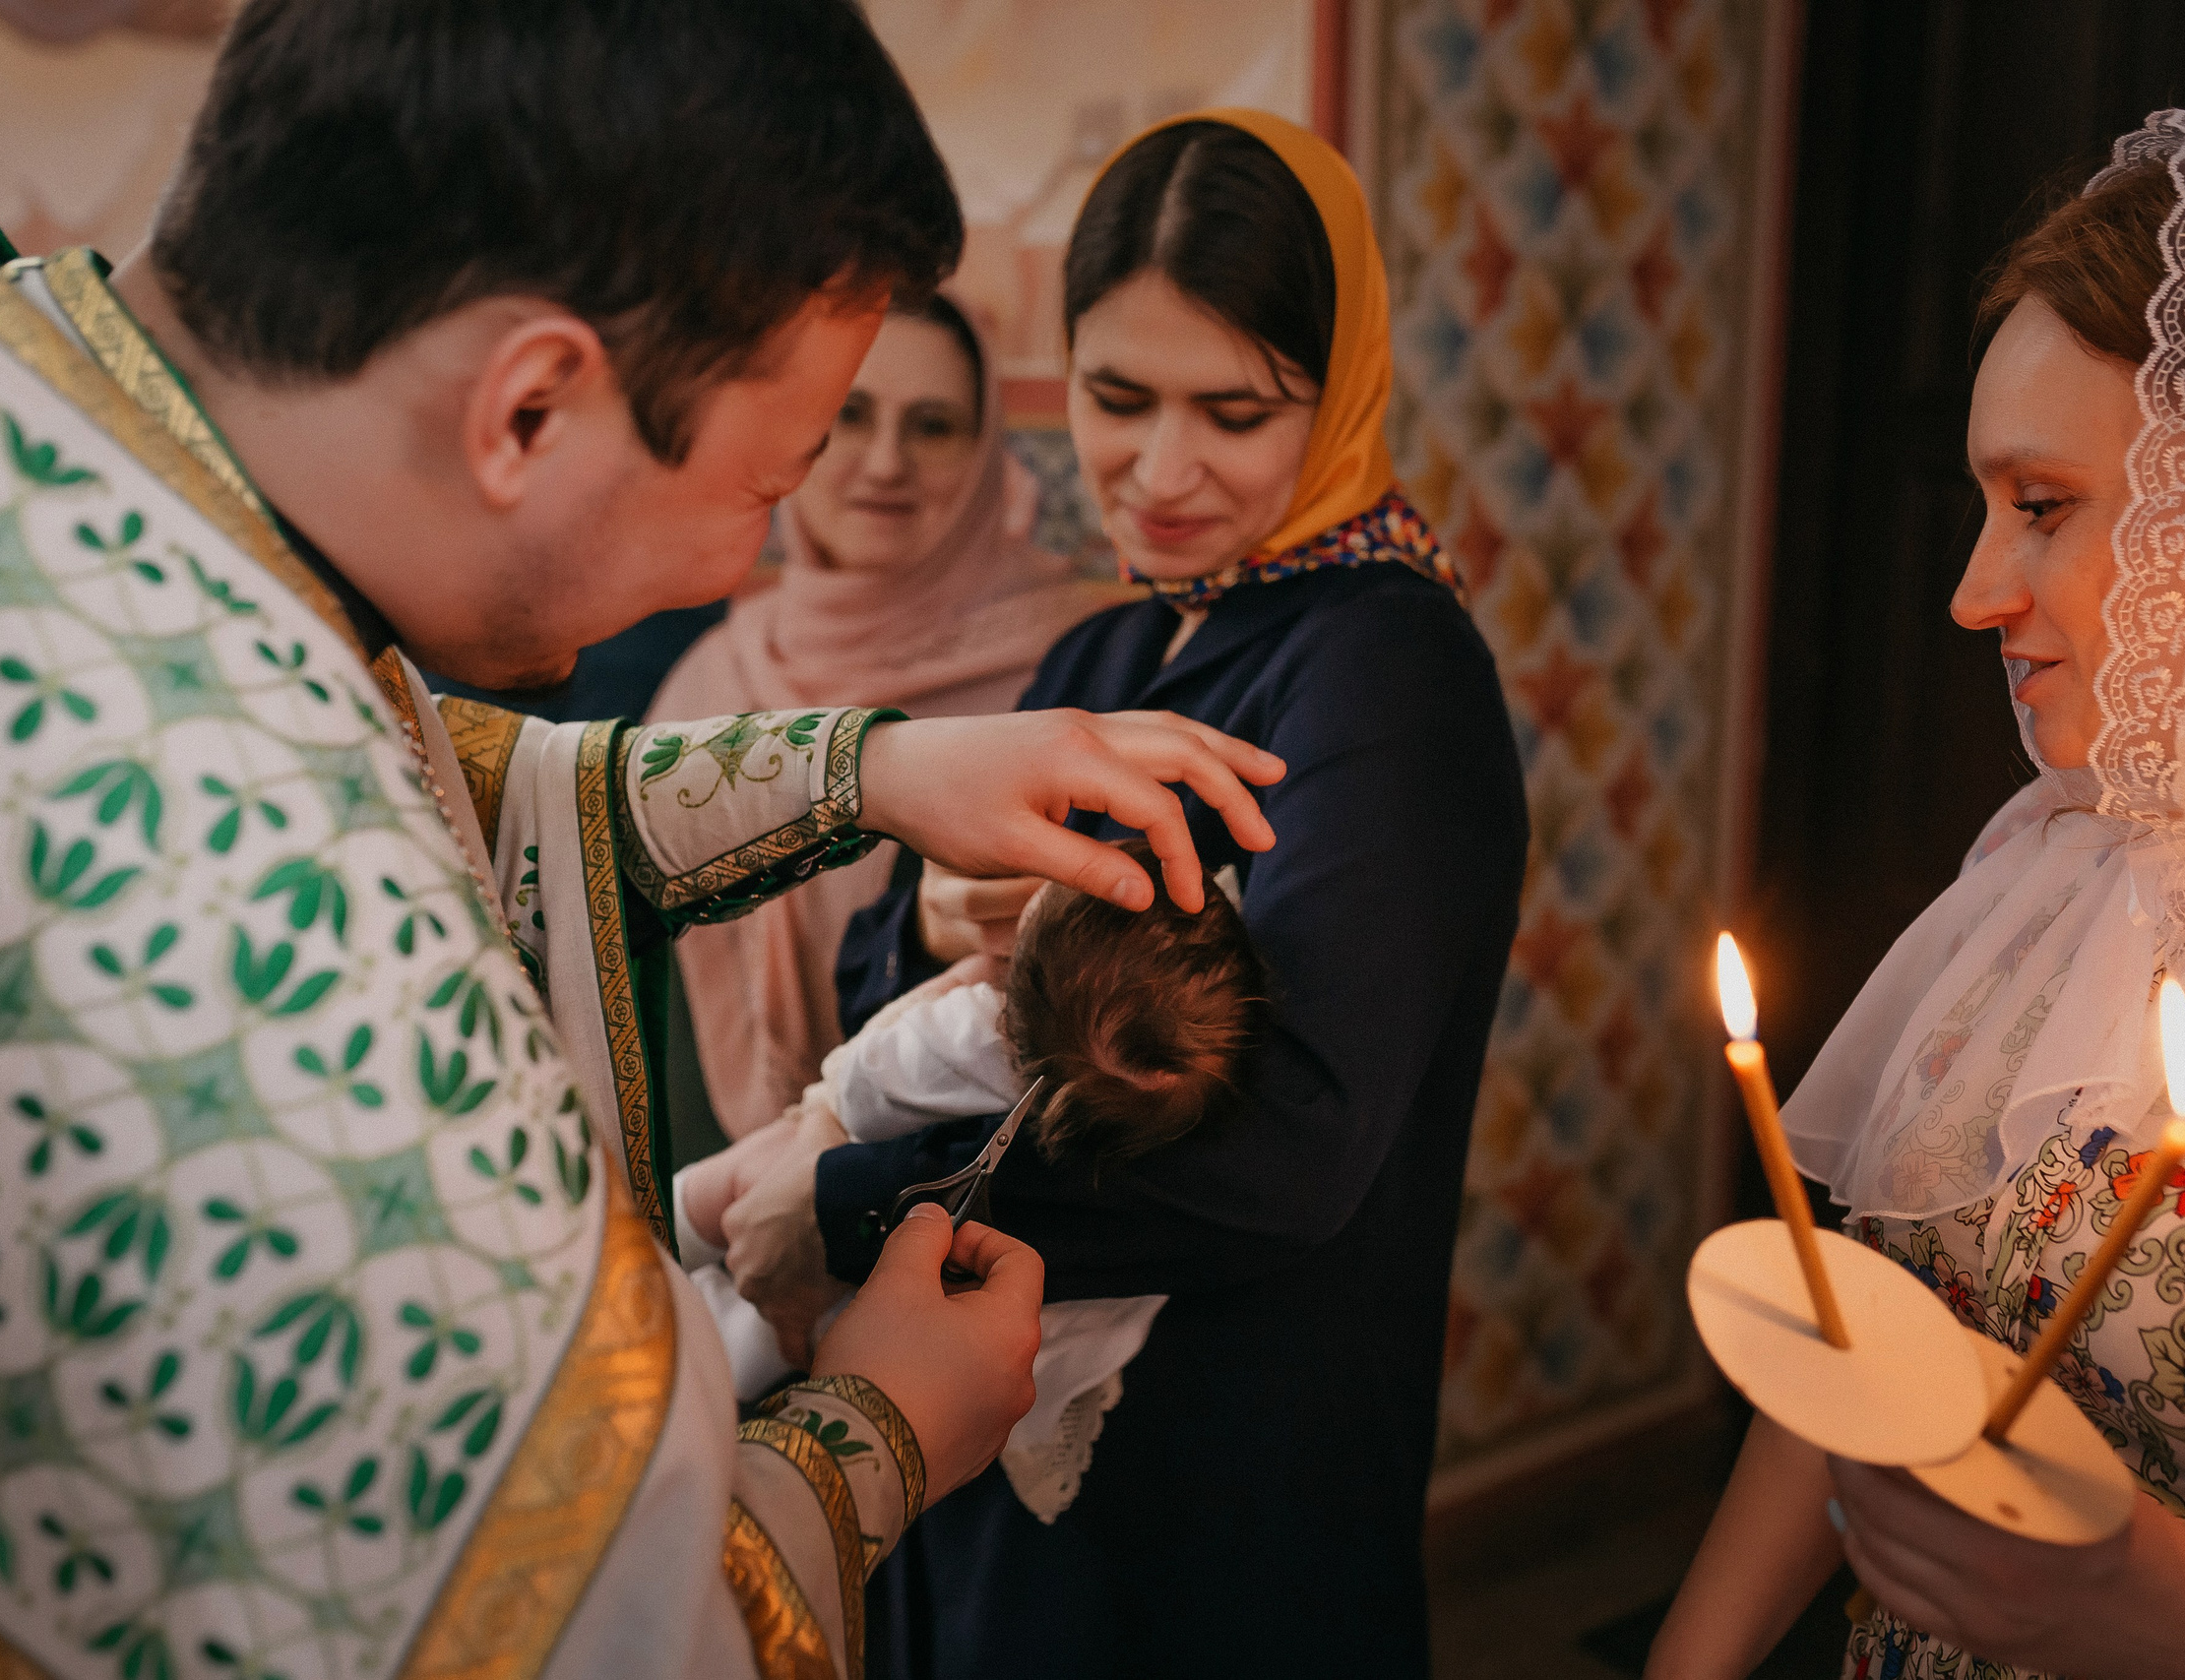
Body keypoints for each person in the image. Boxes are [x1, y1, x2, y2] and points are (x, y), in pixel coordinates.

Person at [0, 7, 1291, 1679]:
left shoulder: (0, 456)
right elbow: (599, 1633)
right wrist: (877, 1425)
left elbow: (436, 778)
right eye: (770, 481)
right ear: (526, 414)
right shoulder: (329, 1031)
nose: (742, 563)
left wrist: (871, 767)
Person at [720, 110, 1530, 1677]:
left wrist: (847, 1207)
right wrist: (936, 912)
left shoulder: (1385, 672)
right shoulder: (1107, 649)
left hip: (1215, 1475)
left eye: (1235, 410)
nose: (1158, 472)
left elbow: (1285, 1147)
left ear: (1340, 387)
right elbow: (880, 980)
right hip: (986, 1427)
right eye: (1115, 397)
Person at [1649, 111, 2185, 1680]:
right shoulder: (2054, 865)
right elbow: (1877, 1338)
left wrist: (2142, 1602)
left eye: (2043, 504)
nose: (1970, 592)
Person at [654, 293, 1125, 1144]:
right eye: (849, 415)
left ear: (984, 451)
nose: (884, 463)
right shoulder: (711, 680)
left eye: (933, 426)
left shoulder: (1075, 675)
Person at [678, 840, 1259, 1520]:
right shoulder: (1134, 1151)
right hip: (932, 1317)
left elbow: (861, 1081)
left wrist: (827, 1110)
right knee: (762, 1348)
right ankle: (701, 1376)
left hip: (841, 1221)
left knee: (748, 1174)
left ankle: (671, 1228)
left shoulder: (970, 1033)